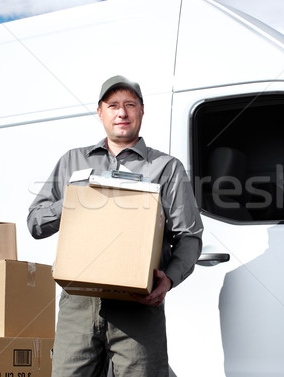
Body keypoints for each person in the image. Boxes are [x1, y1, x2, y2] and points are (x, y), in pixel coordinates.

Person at [27, 75, 203, 377]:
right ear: (100, 113)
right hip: (78, 306)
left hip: (139, 306)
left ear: (142, 111)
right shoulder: (72, 161)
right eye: (113, 105)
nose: (122, 113)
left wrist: (169, 280)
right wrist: (74, 197)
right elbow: (35, 223)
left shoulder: (167, 168)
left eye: (130, 105)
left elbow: (189, 237)